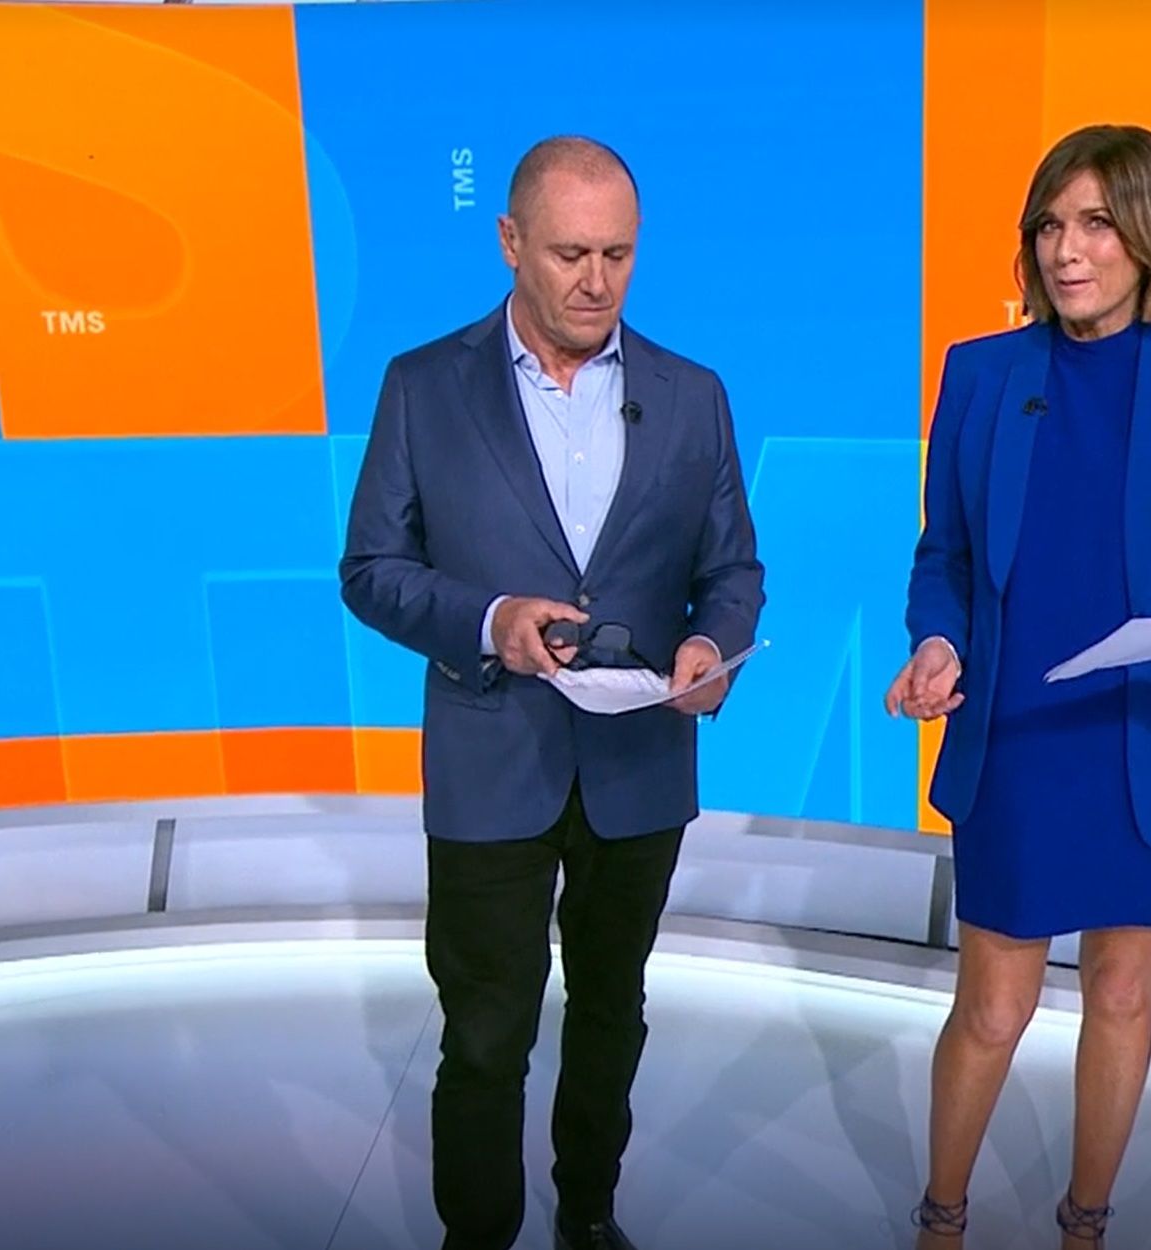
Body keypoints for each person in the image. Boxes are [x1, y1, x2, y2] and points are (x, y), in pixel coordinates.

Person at [339, 135, 765, 1250]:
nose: (595, 281)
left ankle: (587, 1212)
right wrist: (490, 621)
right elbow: (371, 569)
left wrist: (710, 646)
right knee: (486, 1032)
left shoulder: (692, 395)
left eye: (617, 254)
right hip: (491, 758)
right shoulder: (423, 386)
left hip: (638, 764)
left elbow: (732, 571)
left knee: (612, 1011)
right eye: (570, 253)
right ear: (509, 242)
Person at [885, 123, 1151, 1249]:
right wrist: (936, 643)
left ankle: (1084, 1223)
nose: (1067, 251)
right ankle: (941, 1218)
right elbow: (944, 557)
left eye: (1097, 223)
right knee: (993, 1007)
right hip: (1024, 732)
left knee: (1120, 994)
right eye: (1049, 226)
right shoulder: (980, 374)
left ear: (1149, 234)